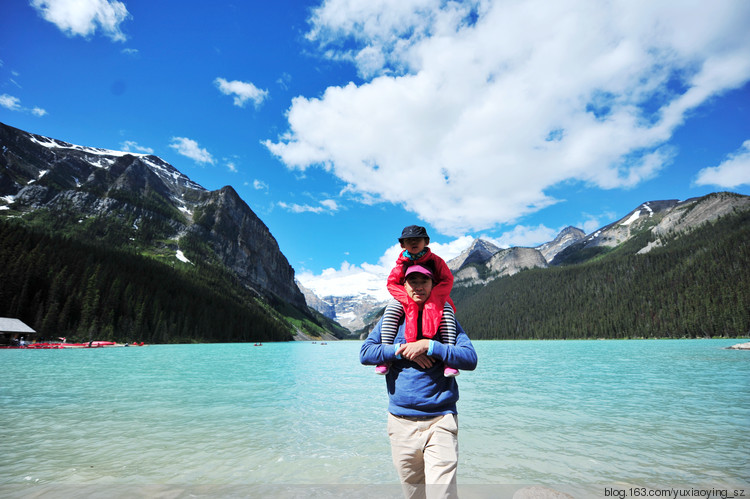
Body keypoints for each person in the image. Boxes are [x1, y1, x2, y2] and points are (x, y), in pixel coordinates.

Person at [360, 265, 478, 499]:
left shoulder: (446, 318)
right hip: (400, 422)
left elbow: (470, 358)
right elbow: (366, 353)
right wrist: (402, 350)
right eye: (412, 281)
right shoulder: (393, 320)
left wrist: (430, 346)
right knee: (414, 494)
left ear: (433, 285)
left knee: (441, 494)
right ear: (404, 286)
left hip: (441, 420)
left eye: (424, 281)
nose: (418, 286)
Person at [377, 225, 458, 378]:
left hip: (435, 296)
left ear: (426, 241)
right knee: (391, 309)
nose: (413, 242)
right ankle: (385, 356)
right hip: (406, 298)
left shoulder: (436, 261)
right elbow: (392, 283)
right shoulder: (401, 264)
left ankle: (449, 359)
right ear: (402, 245)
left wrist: (434, 297)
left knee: (446, 310)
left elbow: (447, 280)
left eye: (417, 239)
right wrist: (406, 298)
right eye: (409, 240)